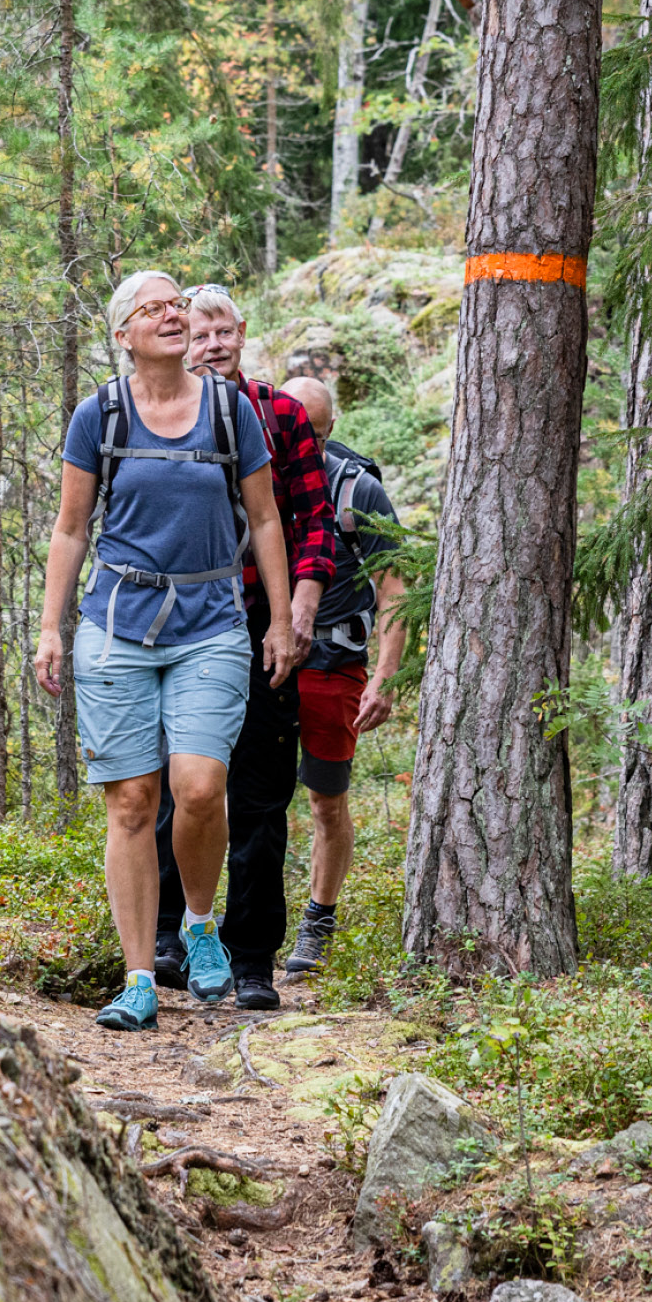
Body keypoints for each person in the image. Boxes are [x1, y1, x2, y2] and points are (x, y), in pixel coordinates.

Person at [35, 271, 303, 1032]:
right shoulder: (100, 414)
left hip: (212, 622)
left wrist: (279, 620)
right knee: (129, 801)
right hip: (117, 622)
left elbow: (263, 517)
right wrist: (50, 626)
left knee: (198, 787)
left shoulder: (227, 409)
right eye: (151, 309)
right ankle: (138, 978)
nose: (171, 315)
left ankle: (198, 921)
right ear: (123, 335)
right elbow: (69, 528)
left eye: (175, 305)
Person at [144, 284, 339, 1012]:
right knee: (178, 788)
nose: (212, 343)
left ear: (241, 333)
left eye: (222, 330)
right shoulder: (159, 418)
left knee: (260, 798)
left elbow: (314, 521)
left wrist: (297, 616)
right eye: (197, 334)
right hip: (183, 633)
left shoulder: (280, 414)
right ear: (179, 344)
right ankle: (166, 935)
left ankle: (252, 956)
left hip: (266, 632)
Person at [276, 375, 410, 974]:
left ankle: (317, 922)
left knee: (327, 801)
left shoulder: (361, 491)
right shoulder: (252, 481)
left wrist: (384, 675)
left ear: (328, 429)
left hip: (334, 665)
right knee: (244, 798)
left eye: (313, 426)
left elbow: (394, 591)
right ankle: (235, 922)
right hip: (261, 663)